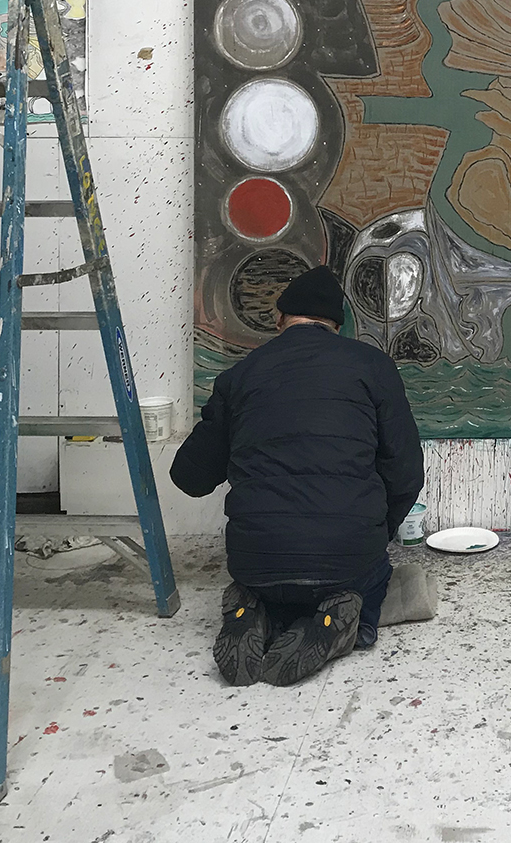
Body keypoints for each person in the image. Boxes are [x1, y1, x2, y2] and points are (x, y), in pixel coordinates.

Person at [170, 264, 424, 687]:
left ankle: (251, 612)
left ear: (279, 318)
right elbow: (407, 471)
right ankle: (342, 623)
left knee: (266, 582)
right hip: (346, 555)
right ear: (336, 325)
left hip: (257, 559)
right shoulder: (373, 366)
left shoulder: (239, 376)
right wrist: (379, 531)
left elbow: (189, 478)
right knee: (373, 578)